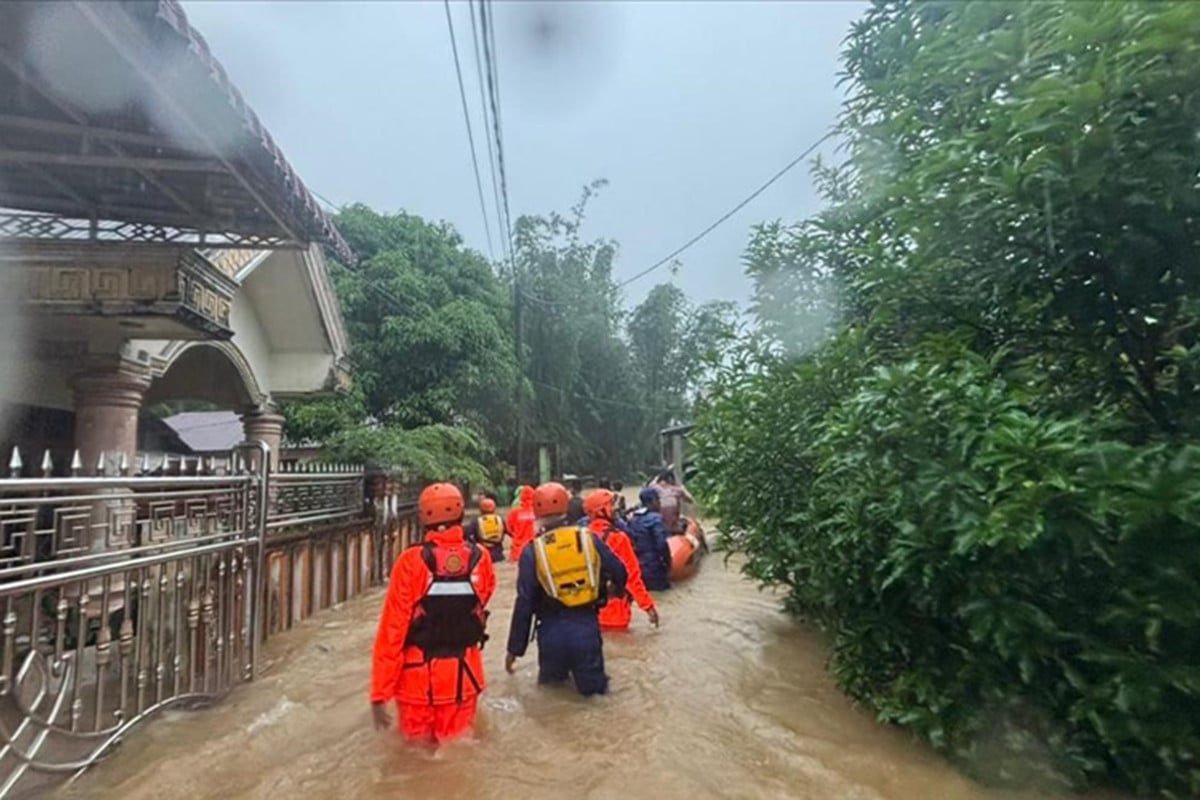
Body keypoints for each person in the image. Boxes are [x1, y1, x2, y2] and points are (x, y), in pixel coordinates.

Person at [370, 482, 496, 745]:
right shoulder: (481, 557)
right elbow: (481, 601)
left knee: (414, 759)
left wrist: (380, 693)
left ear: (423, 516)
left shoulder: (409, 561)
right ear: (461, 513)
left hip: (416, 681)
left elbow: (393, 630)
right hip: (464, 677)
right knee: (456, 754)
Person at [505, 482, 628, 696]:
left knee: (552, 696)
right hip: (586, 628)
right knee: (596, 697)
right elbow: (620, 572)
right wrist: (613, 591)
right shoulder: (588, 538)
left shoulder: (532, 551)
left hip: (550, 633)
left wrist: (514, 649)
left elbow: (524, 603)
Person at [584, 490, 658, 631]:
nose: (615, 510)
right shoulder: (618, 538)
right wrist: (648, 607)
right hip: (614, 613)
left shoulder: (580, 537)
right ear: (602, 510)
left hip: (586, 615)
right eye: (611, 506)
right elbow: (632, 577)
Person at [627, 486, 672, 591]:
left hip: (637, 569)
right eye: (658, 500)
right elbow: (661, 544)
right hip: (654, 568)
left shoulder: (632, 519)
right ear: (652, 501)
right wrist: (668, 563)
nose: (660, 503)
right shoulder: (655, 519)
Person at [465, 493, 507, 563]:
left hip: (482, 555)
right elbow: (510, 532)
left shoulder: (476, 521)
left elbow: (466, 535)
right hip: (498, 555)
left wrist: (474, 544)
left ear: (481, 509)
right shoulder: (500, 520)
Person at [652, 469, 695, 534]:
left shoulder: (653, 488)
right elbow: (691, 500)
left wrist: (656, 478)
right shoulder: (677, 489)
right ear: (671, 479)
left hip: (658, 527)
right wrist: (682, 488)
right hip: (673, 528)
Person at [506, 485, 536, 563]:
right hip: (534, 551)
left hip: (517, 551)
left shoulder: (514, 513)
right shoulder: (538, 511)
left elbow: (509, 528)